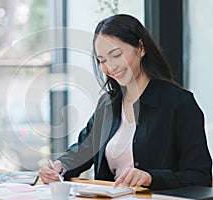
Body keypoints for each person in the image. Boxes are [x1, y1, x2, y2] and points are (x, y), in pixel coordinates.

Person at [39, 14, 212, 190]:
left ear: (141, 47)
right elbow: (84, 150)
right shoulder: (107, 104)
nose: (111, 67)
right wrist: (60, 167)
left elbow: (200, 176)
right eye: (102, 60)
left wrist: (150, 178)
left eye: (116, 55)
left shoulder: (179, 103)